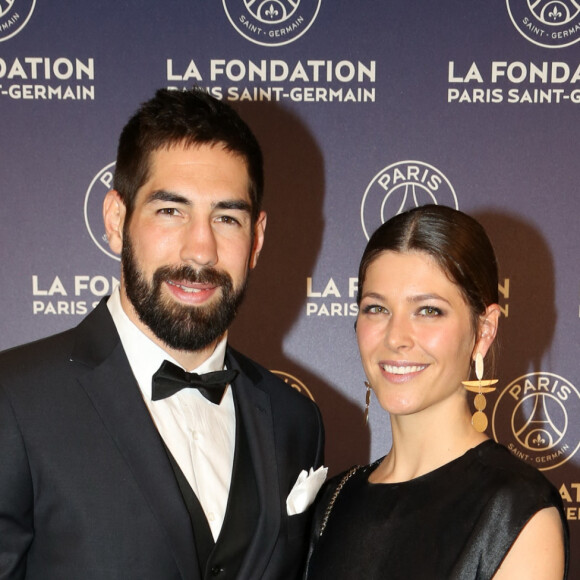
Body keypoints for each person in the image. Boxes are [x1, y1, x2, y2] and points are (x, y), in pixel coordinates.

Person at [0, 88, 325, 580]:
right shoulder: (15, 399)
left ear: (256, 239)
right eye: (171, 211)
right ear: (116, 221)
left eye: (226, 217)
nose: (200, 251)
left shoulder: (295, 420)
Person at [305, 205, 568, 580]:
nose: (396, 338)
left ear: (484, 331)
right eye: (376, 308)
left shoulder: (516, 512)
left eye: (429, 311)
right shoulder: (334, 501)